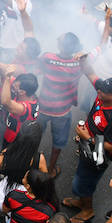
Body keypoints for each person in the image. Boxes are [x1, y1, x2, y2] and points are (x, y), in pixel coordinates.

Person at [65, 77, 112, 223]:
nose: (98, 91)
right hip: (88, 146)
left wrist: (88, 138)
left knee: (84, 183)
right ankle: (81, 201)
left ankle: (87, 211)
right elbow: (92, 76)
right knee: (82, 176)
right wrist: (84, 61)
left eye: (102, 91)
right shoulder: (103, 96)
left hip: (99, 154)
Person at [39, 32, 85, 178]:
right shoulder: (79, 64)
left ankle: (29, 162)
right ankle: (51, 169)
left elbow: (38, 68)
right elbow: (98, 50)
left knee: (34, 135)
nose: (57, 37)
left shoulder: (48, 58)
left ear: (60, 45)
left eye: (60, 38)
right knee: (58, 142)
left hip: (43, 107)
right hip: (62, 111)